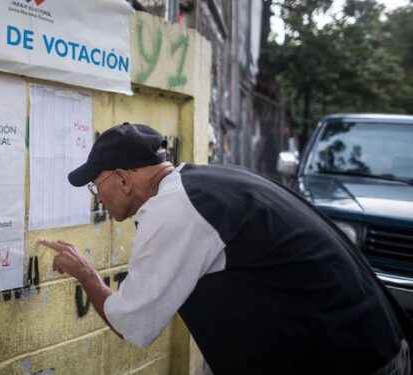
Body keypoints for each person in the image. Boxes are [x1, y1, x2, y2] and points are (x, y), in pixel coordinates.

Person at [38, 123, 411, 375]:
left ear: (122, 179)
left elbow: (131, 322)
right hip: (367, 344)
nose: (98, 196)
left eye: (96, 185)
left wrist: (85, 273)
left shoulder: (174, 210)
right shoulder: (201, 183)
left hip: (353, 360)